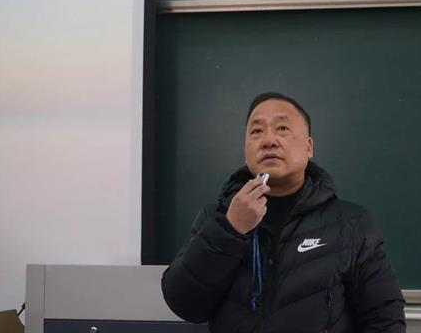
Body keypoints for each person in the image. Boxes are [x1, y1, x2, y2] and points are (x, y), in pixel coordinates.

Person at [161, 92, 406, 333]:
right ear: (245, 151)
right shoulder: (216, 218)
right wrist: (230, 229)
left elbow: (385, 320)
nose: (269, 140)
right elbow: (185, 305)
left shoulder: (352, 224)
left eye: (282, 129)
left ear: (308, 147)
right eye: (257, 131)